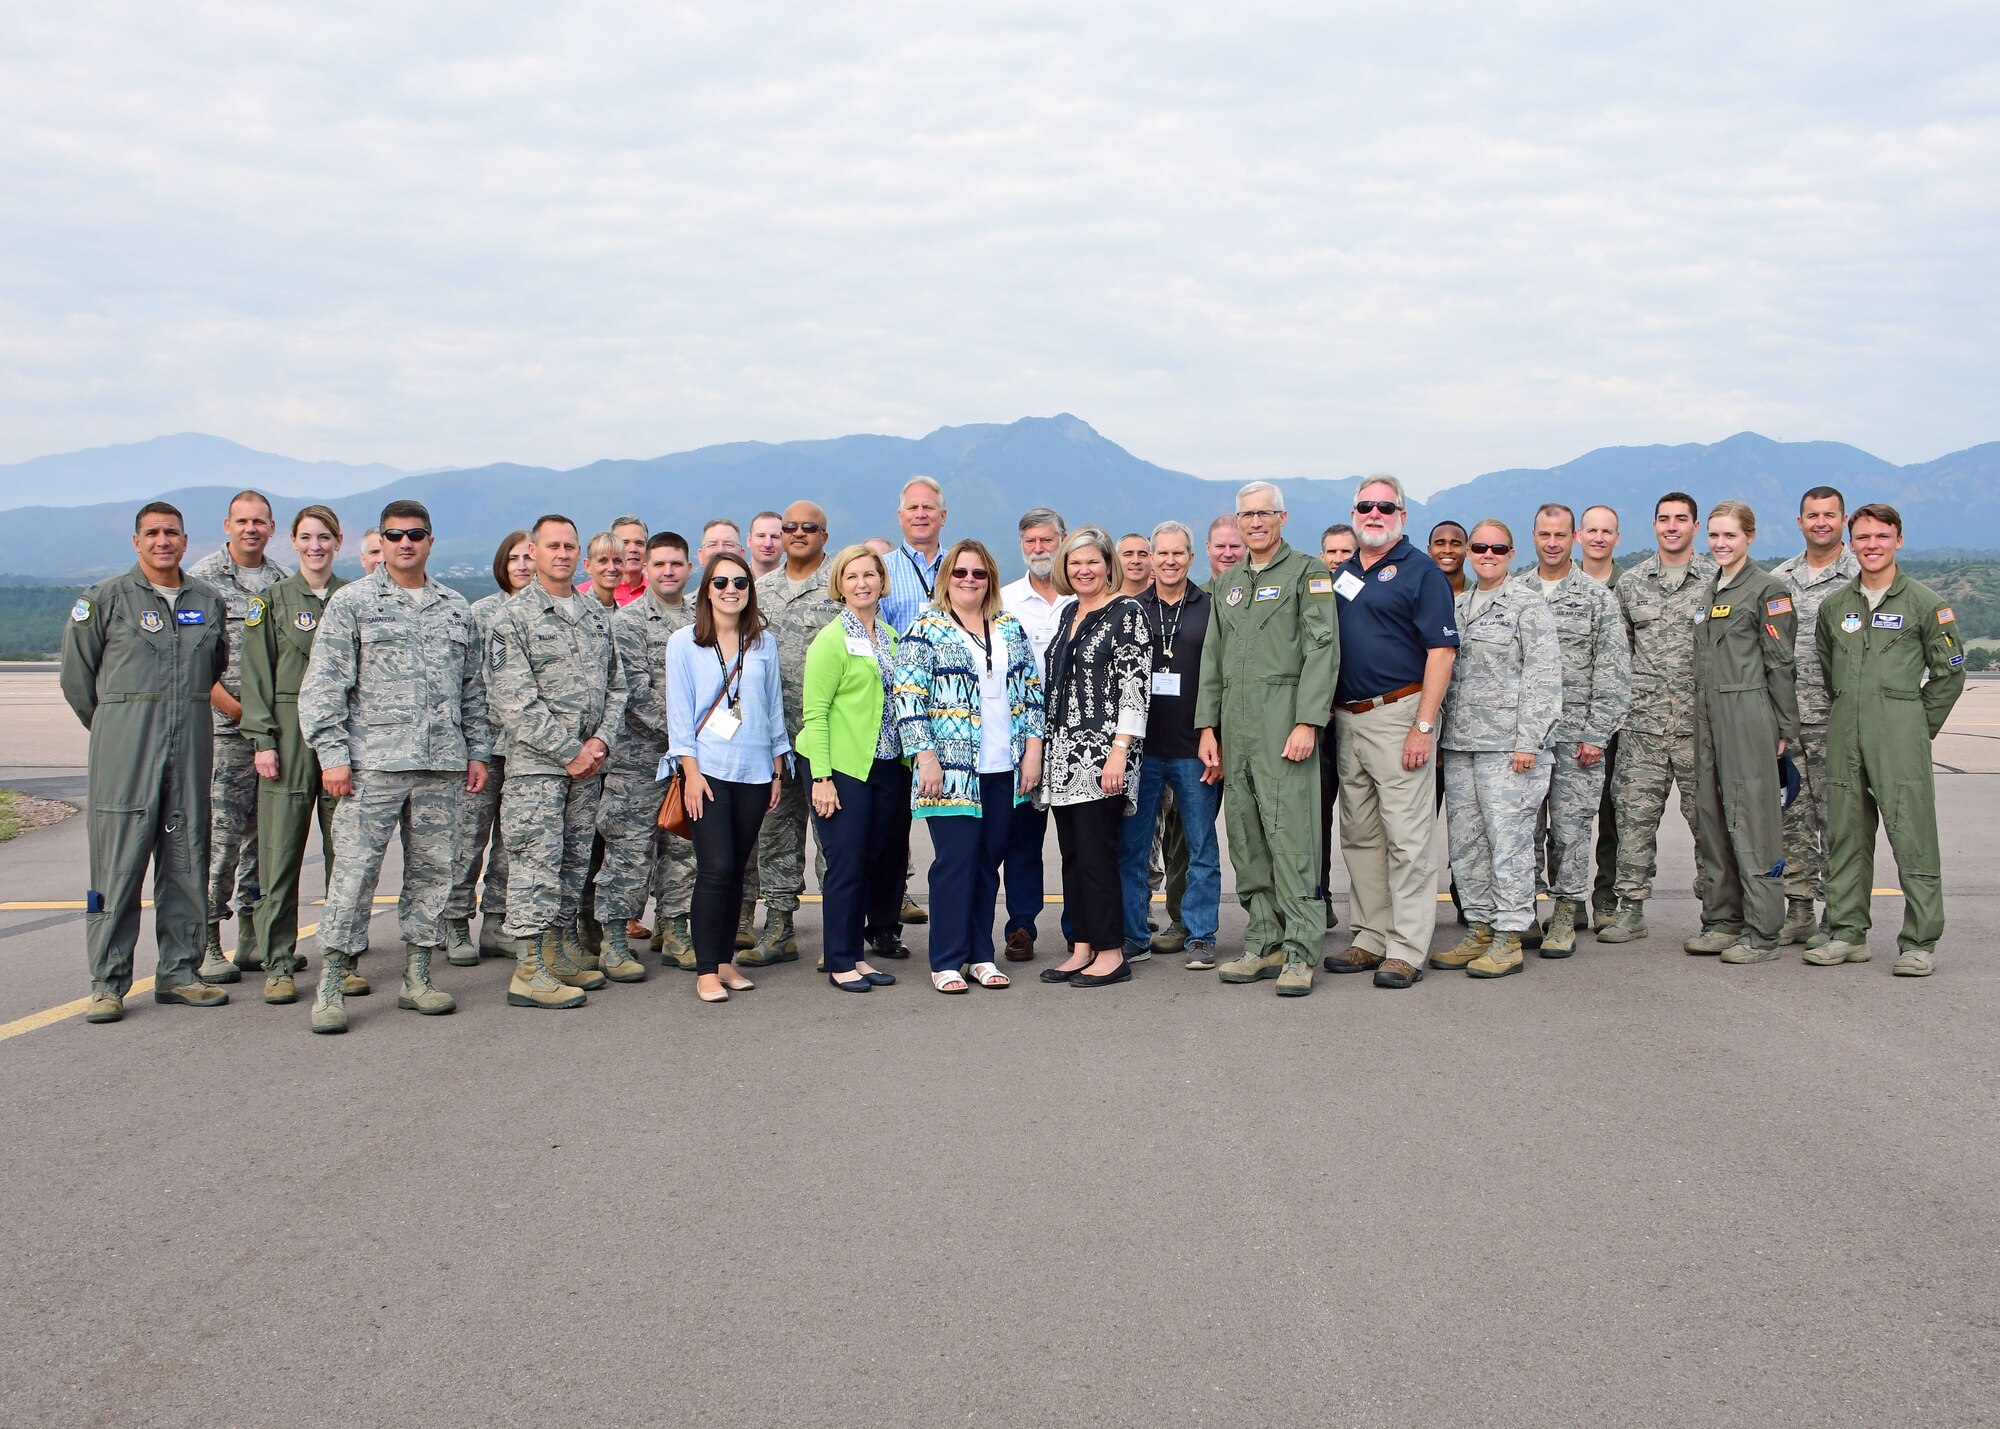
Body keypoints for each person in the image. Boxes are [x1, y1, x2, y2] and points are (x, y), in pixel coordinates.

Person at [297, 500, 491, 1034]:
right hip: (371, 768)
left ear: (431, 540)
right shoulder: (353, 603)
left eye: (416, 534)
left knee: (433, 874)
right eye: (395, 535)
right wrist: (332, 757)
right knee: (355, 874)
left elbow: (472, 690)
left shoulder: (456, 607)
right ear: (380, 541)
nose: (406, 543)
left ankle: (418, 976)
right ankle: (333, 982)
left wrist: (477, 751)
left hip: (441, 766)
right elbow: (323, 688)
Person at [63, 502, 232, 1021]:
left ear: (186, 541)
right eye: (153, 533)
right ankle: (107, 982)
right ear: (137, 541)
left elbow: (214, 666)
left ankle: (180, 973)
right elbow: (77, 680)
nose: (163, 541)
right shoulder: (105, 600)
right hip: (126, 753)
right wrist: (118, 730)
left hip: (190, 751)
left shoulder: (207, 601)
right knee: (116, 868)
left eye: (172, 533)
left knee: (186, 861)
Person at [1196, 484, 1340, 996]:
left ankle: (1301, 950)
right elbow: (1211, 660)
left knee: (1292, 837)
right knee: (1247, 836)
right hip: (1234, 727)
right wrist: (1207, 728)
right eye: (1246, 514)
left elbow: (1323, 650)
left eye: (1264, 513)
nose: (1254, 522)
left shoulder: (1308, 573)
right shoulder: (1228, 584)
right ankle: (1264, 939)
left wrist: (1309, 722)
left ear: (1282, 517)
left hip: (1283, 721)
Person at [1812, 503, 1964, 975]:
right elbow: (1826, 666)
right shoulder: (1835, 607)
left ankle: (1919, 942)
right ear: (1850, 542)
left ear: (1898, 540)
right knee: (1845, 836)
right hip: (1845, 733)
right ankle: (1846, 933)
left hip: (1899, 733)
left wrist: (1916, 726)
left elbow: (1949, 676)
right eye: (1862, 537)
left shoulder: (1925, 604)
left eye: (1881, 536)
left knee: (1913, 838)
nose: (1871, 545)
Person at [488, 515, 632, 1003]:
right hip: (538, 768)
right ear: (533, 551)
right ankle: (528, 971)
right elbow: (513, 699)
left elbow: (617, 686)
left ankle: (554, 954)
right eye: (553, 546)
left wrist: (601, 743)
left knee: (572, 863)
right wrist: (569, 750)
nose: (563, 554)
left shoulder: (593, 614)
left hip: (588, 766)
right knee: (535, 864)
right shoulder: (511, 617)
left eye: (570, 546)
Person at [1322, 476, 1458, 988]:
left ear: (1402, 515)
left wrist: (1424, 725)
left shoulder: (1422, 572)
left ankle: (1406, 948)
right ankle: (1370, 936)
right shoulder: (1344, 574)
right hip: (1347, 719)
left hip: (1400, 715)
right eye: (1365, 506)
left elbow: (1441, 652)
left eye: (1385, 506)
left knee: (1407, 840)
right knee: (1360, 837)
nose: (1374, 513)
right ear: (1354, 514)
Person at [896, 538, 1045, 992]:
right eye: (960, 572)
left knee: (987, 862)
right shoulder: (926, 627)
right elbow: (908, 697)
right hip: (951, 769)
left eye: (978, 574)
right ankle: (945, 959)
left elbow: (1030, 692)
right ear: (947, 579)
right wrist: (926, 758)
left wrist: (1033, 750)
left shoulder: (1009, 627)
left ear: (990, 580)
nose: (969, 580)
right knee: (955, 861)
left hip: (1004, 766)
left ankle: (981, 955)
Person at [1432, 521, 1561, 977]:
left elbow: (1543, 680)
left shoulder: (1528, 605)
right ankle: (1480, 928)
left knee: (1509, 845)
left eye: (1498, 548)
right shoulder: (1459, 605)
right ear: (1470, 551)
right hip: (1462, 744)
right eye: (1480, 547)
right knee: (1467, 844)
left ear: (1511, 552)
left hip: (1509, 748)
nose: (1488, 554)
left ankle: (1509, 936)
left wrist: (1530, 741)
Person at [239, 505, 356, 1005]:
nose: (316, 546)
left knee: (345, 855)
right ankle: (279, 962)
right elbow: (256, 676)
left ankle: (341, 959)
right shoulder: (271, 602)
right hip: (287, 733)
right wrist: (263, 740)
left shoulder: (355, 599)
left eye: (324, 537)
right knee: (280, 854)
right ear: (293, 541)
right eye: (307, 537)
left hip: (342, 735)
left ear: (338, 541)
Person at [668, 550, 787, 1003]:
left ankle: (724, 962)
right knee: (715, 869)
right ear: (707, 590)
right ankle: (704, 971)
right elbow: (679, 715)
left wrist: (778, 765)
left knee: (737, 870)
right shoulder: (684, 643)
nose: (731, 590)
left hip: (755, 771)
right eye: (721, 583)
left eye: (740, 582)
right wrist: (690, 773)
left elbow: (773, 705)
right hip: (709, 771)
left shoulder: (763, 644)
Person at [1683, 501, 1800, 964]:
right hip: (1708, 716)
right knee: (1712, 818)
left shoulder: (1768, 590)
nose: (1720, 544)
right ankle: (1723, 920)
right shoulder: (1710, 591)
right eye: (1714, 535)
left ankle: (1764, 930)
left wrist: (1783, 728)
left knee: (1752, 822)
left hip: (1748, 713)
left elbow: (1780, 663)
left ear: (1750, 536)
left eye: (1729, 535)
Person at [1599, 493, 1718, 944]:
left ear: (1695, 525)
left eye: (1681, 519)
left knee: (1708, 822)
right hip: (1642, 728)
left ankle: (1717, 911)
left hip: (1697, 728)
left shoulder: (1715, 579)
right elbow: (1618, 656)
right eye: (1664, 519)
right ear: (1654, 526)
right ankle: (1630, 909)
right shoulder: (1631, 584)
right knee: (1633, 821)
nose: (1672, 526)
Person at [1030, 529, 1145, 989]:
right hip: (1062, 757)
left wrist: (1120, 752)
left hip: (1101, 756)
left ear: (1107, 565)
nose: (1083, 570)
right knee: (1073, 857)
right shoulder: (1067, 614)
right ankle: (1082, 946)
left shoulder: (1126, 612)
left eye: (1092, 562)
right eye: (1075, 562)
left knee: (1098, 855)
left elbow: (1136, 685)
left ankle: (1112, 952)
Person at [189, 489, 291, 984]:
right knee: (223, 836)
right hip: (226, 731)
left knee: (264, 837)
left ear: (272, 529)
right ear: (227, 526)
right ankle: (208, 939)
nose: (251, 529)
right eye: (242, 521)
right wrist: (233, 708)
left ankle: (253, 937)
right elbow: (189, 658)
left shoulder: (280, 582)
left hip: (273, 732)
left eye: (260, 522)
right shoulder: (202, 582)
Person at [1520, 504, 1630, 956]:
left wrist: (1597, 734)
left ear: (1574, 539)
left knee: (1570, 830)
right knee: (1523, 828)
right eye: (1544, 533)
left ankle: (1566, 912)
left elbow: (1613, 671)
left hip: (1575, 735)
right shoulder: (1516, 592)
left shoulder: (1596, 597)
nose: (1552, 542)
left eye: (1561, 535)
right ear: (1534, 535)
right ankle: (1524, 909)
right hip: (1525, 737)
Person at [801, 545, 910, 991]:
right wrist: (822, 778)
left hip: (886, 765)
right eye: (852, 576)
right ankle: (841, 960)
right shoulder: (830, 639)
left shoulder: (888, 635)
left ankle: (857, 955)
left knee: (874, 860)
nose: (862, 583)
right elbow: (815, 713)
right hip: (843, 768)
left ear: (883, 581)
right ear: (839, 585)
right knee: (845, 864)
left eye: (870, 574)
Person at [742, 500, 840, 966]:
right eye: (789, 527)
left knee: (833, 840)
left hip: (828, 740)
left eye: (809, 527)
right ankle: (779, 929)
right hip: (775, 739)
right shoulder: (760, 590)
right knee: (776, 836)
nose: (798, 533)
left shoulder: (840, 586)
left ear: (825, 535)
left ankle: (839, 937)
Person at [594, 533, 696, 980]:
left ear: (689, 567)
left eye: (676, 563)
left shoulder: (705, 617)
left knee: (685, 845)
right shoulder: (628, 621)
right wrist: (686, 735)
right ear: (646, 570)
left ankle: (675, 930)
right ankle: (614, 940)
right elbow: (633, 690)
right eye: (660, 564)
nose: (668, 571)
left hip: (693, 759)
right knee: (629, 851)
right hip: (640, 757)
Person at [1121, 521, 1222, 970]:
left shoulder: (1211, 606)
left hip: (1193, 746)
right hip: (1141, 748)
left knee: (1201, 845)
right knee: (1133, 845)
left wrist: (1213, 731)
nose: (1168, 561)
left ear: (1190, 557)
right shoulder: (1131, 609)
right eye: (1160, 553)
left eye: (1177, 553)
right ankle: (1134, 934)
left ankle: (1201, 935)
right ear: (1151, 557)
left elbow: (1222, 677)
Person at [1767, 486, 1860, 948]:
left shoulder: (1862, 575)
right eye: (1812, 515)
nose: (1820, 522)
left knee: (1839, 819)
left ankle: (1839, 914)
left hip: (1838, 721)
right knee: (1791, 817)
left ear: (1843, 520)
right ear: (1799, 521)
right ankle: (1799, 907)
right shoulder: (1779, 578)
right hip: (1786, 722)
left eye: (1829, 514)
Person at [443, 532, 534, 965]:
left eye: (528, 558)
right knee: (469, 838)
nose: (521, 565)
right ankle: (456, 921)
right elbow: (471, 682)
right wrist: (471, 744)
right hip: (485, 743)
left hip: (526, 748)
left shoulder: (540, 613)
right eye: (513, 558)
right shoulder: (482, 613)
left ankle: (497, 922)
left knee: (511, 844)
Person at [998, 507, 1069, 961]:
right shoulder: (1003, 600)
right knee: (1021, 839)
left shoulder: (1084, 593)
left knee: (1078, 841)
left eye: (1047, 540)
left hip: (1075, 733)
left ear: (1062, 540)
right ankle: (1021, 925)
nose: (1040, 549)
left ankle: (1080, 928)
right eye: (1031, 542)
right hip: (1020, 733)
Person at [881, 476, 948, 927]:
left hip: (951, 712)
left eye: (929, 507)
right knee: (889, 826)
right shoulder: (880, 568)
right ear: (900, 516)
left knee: (951, 816)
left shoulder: (963, 567)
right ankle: (888, 913)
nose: (921, 514)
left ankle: (954, 913)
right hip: (892, 713)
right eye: (913, 508)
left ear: (944, 515)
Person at [1577, 504, 1624, 928]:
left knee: (1613, 816)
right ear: (1578, 536)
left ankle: (1606, 899)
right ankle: (1567, 900)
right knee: (1566, 819)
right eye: (1591, 530)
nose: (1598, 537)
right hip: (1567, 722)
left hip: (1617, 721)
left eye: (1606, 531)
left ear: (1617, 538)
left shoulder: (1630, 587)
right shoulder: (1545, 587)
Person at [1315, 523, 1358, 926]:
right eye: (1331, 552)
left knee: (1363, 821)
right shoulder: (1312, 596)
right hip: (1321, 727)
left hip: (1360, 719)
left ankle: (1371, 907)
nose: (1338, 560)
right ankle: (1320, 896)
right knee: (1317, 818)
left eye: (1347, 552)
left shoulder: (1362, 598)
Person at [581, 531, 623, 608]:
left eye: (617, 561)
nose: (612, 568)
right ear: (588, 566)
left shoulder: (625, 615)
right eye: (603, 561)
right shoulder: (579, 610)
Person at [1428, 521, 1469, 597]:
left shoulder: (1480, 595)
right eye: (1440, 544)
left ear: (1467, 551)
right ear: (1429, 550)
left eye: (1456, 544)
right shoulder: (1414, 594)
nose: (1447, 550)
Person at [1205, 515, 1246, 587]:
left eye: (1234, 546)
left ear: (1247, 548)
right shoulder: (1194, 597)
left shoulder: (1261, 593)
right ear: (1208, 548)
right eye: (1220, 546)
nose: (1228, 554)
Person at [746, 511, 785, 579]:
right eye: (761, 536)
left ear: (785, 543)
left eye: (775, 537)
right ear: (749, 541)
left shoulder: (797, 583)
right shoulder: (733, 580)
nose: (768, 544)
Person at [1116, 532, 1154, 597]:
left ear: (1152, 559)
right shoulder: (1103, 601)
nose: (1136, 561)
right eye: (1128, 555)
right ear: (1116, 558)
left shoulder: (1163, 601)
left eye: (1142, 555)